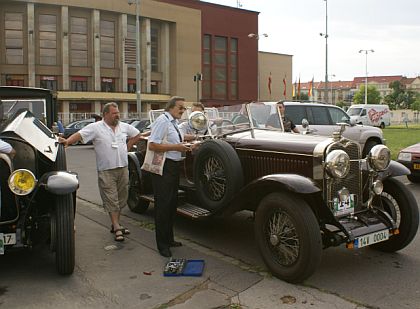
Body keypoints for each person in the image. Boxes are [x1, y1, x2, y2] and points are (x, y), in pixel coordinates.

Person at [59, 102, 143, 242]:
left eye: (118, 113)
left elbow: (137, 134)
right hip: (106, 170)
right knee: (111, 198)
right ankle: (116, 226)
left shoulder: (123, 126)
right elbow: (79, 135)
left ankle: (116, 223)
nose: (117, 115)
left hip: (122, 167)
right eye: (114, 113)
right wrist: (67, 142)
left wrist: (127, 146)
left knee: (122, 197)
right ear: (105, 114)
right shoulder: (96, 127)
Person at [148, 96, 192, 257]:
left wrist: (191, 143)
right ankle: (162, 245)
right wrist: (177, 147)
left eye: (184, 108)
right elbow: (152, 144)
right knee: (163, 206)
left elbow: (178, 139)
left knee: (172, 204)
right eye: (180, 107)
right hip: (164, 167)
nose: (183, 111)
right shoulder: (162, 121)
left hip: (173, 167)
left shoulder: (173, 122)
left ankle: (169, 239)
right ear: (171, 107)